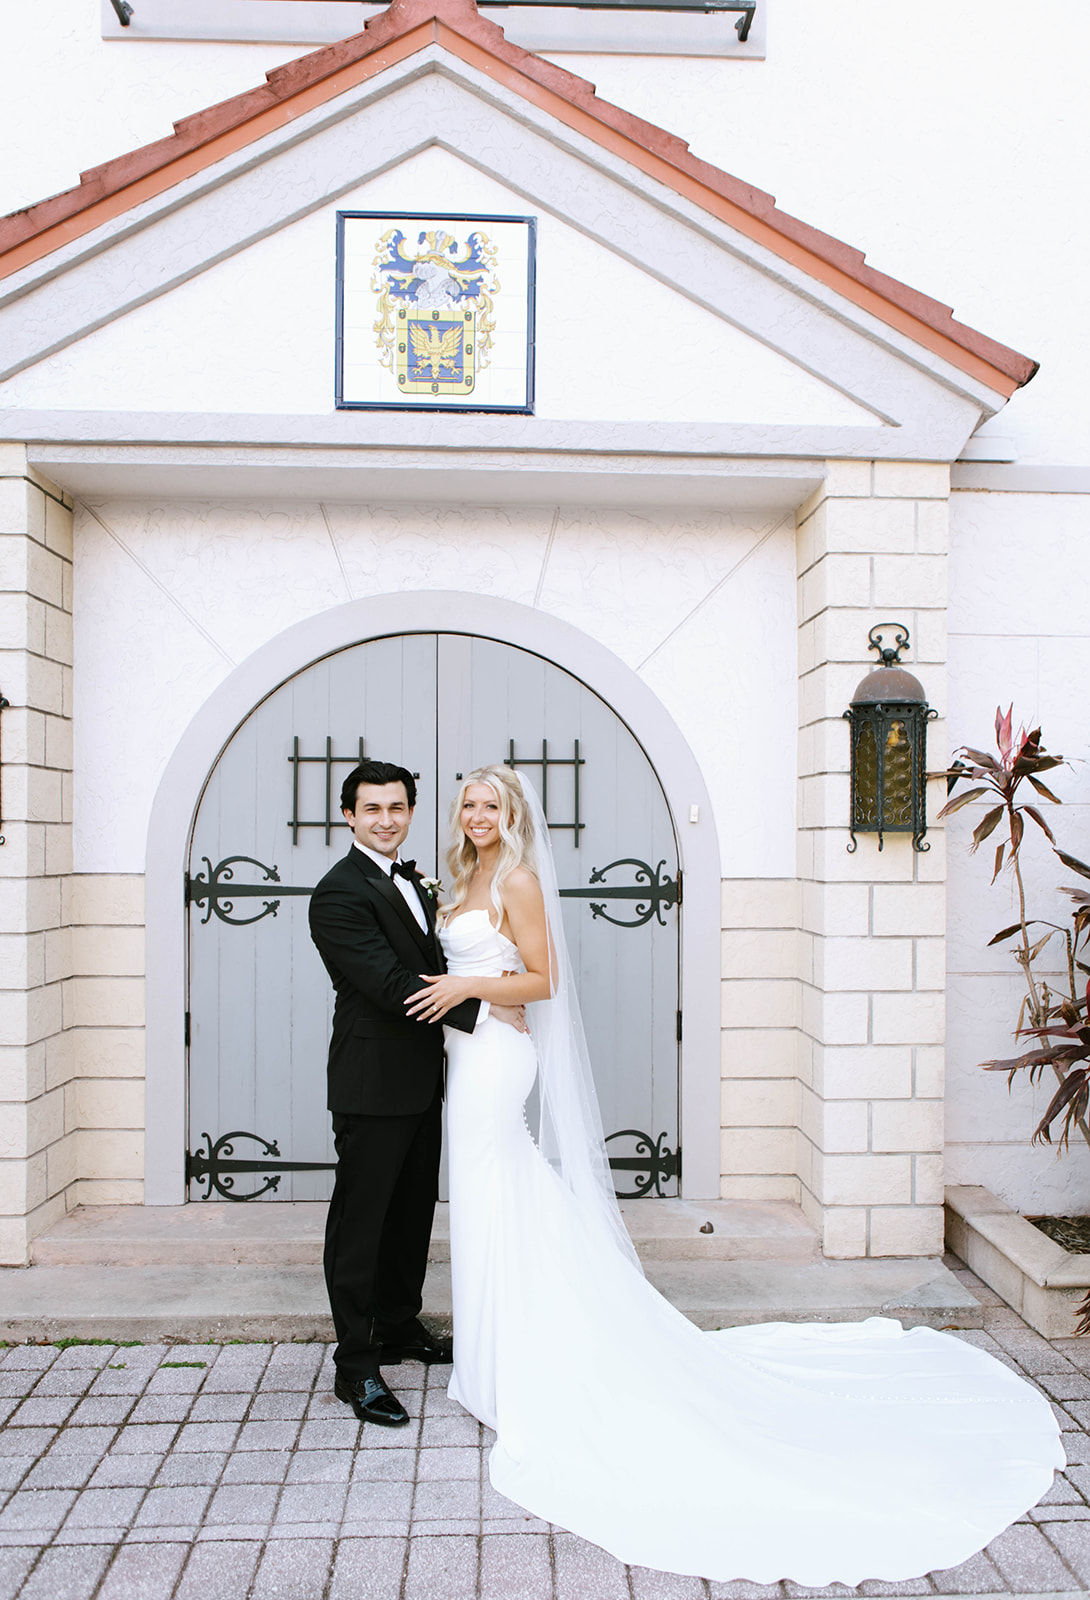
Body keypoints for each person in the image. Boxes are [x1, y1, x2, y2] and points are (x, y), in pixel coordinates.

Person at [404, 764, 1065, 1587]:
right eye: (468, 803)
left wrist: (469, 985)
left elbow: (543, 983)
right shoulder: (461, 877)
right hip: (466, 1057)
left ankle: (517, 1364)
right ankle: (493, 1360)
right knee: (489, 1198)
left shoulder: (520, 881)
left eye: (491, 805)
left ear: (512, 815)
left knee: (499, 1188)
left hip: (498, 1059)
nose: (477, 816)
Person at [308, 759, 524, 1429]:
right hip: (372, 1083)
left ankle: (401, 1325)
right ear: (349, 815)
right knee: (361, 1223)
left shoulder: (417, 880)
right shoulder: (338, 893)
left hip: (430, 1076)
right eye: (371, 808)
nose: (386, 819)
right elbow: (390, 983)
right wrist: (487, 1011)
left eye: (397, 807)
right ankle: (356, 1366)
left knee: (410, 1212)